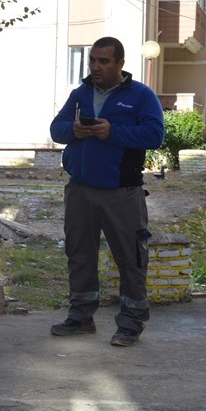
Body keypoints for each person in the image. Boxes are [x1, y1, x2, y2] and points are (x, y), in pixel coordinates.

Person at [48, 36, 165, 347]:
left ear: (120, 64)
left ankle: (130, 323)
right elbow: (55, 129)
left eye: (104, 61)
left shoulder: (140, 96)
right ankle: (80, 317)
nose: (96, 67)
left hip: (122, 192)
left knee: (131, 258)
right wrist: (73, 130)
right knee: (80, 254)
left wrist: (112, 132)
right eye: (93, 60)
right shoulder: (80, 94)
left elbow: (155, 135)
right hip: (80, 191)